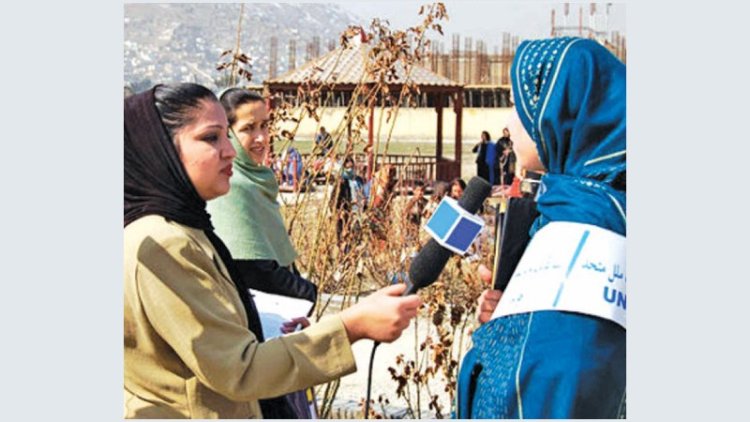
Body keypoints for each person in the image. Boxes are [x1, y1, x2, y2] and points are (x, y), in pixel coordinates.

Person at [124, 83, 421, 419]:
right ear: (159, 149)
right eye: (211, 138)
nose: (230, 151)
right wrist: (350, 327)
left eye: (227, 136)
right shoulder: (164, 243)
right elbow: (238, 370)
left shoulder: (186, 228)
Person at [457, 37, 626, 419]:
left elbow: (550, 375)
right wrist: (509, 321)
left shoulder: (586, 230)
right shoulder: (575, 207)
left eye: (518, 106)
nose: (507, 122)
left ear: (557, 115)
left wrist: (506, 343)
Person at [207, 88, 317, 417]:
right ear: (227, 133)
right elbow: (252, 265)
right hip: (258, 333)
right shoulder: (233, 186)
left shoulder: (258, 179)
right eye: (247, 129)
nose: (260, 138)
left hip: (282, 323)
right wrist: (307, 291)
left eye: (264, 126)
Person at [333, 156, 366, 242]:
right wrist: (339, 210)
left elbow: (363, 193)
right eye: (348, 168)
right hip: (346, 213)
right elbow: (335, 199)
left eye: (352, 167)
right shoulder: (341, 182)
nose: (350, 170)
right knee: (344, 237)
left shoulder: (359, 180)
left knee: (357, 235)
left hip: (358, 211)